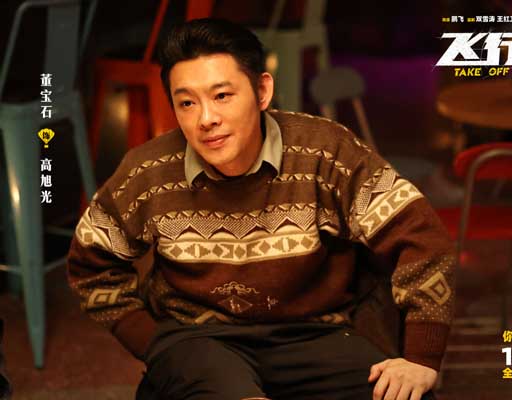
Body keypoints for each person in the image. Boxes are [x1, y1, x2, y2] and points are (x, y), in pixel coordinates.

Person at [67, 18, 456, 400]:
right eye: (187, 103)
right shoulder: (148, 170)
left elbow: (421, 238)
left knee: (405, 395)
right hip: (197, 340)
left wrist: (420, 357)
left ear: (262, 90)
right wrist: (155, 343)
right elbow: (91, 265)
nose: (206, 119)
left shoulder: (326, 152)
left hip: (314, 335)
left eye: (222, 96)